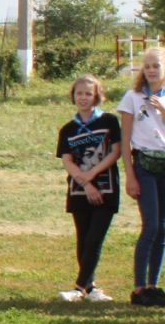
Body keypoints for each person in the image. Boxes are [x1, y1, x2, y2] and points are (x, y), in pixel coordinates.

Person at [59, 75, 123, 302]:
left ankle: (78, 289)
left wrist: (92, 177)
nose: (83, 98)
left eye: (88, 93)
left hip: (107, 188)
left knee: (95, 239)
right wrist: (85, 182)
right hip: (78, 190)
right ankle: (91, 287)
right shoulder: (68, 129)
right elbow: (67, 160)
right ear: (73, 96)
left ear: (96, 95)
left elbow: (115, 152)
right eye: (79, 93)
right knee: (83, 239)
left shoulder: (109, 121)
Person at [119, 47, 165, 306]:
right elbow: (125, 139)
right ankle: (138, 288)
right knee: (151, 225)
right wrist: (130, 176)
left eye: (156, 65)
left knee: (163, 228)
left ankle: (153, 285)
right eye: (147, 65)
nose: (151, 70)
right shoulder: (132, 97)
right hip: (144, 165)